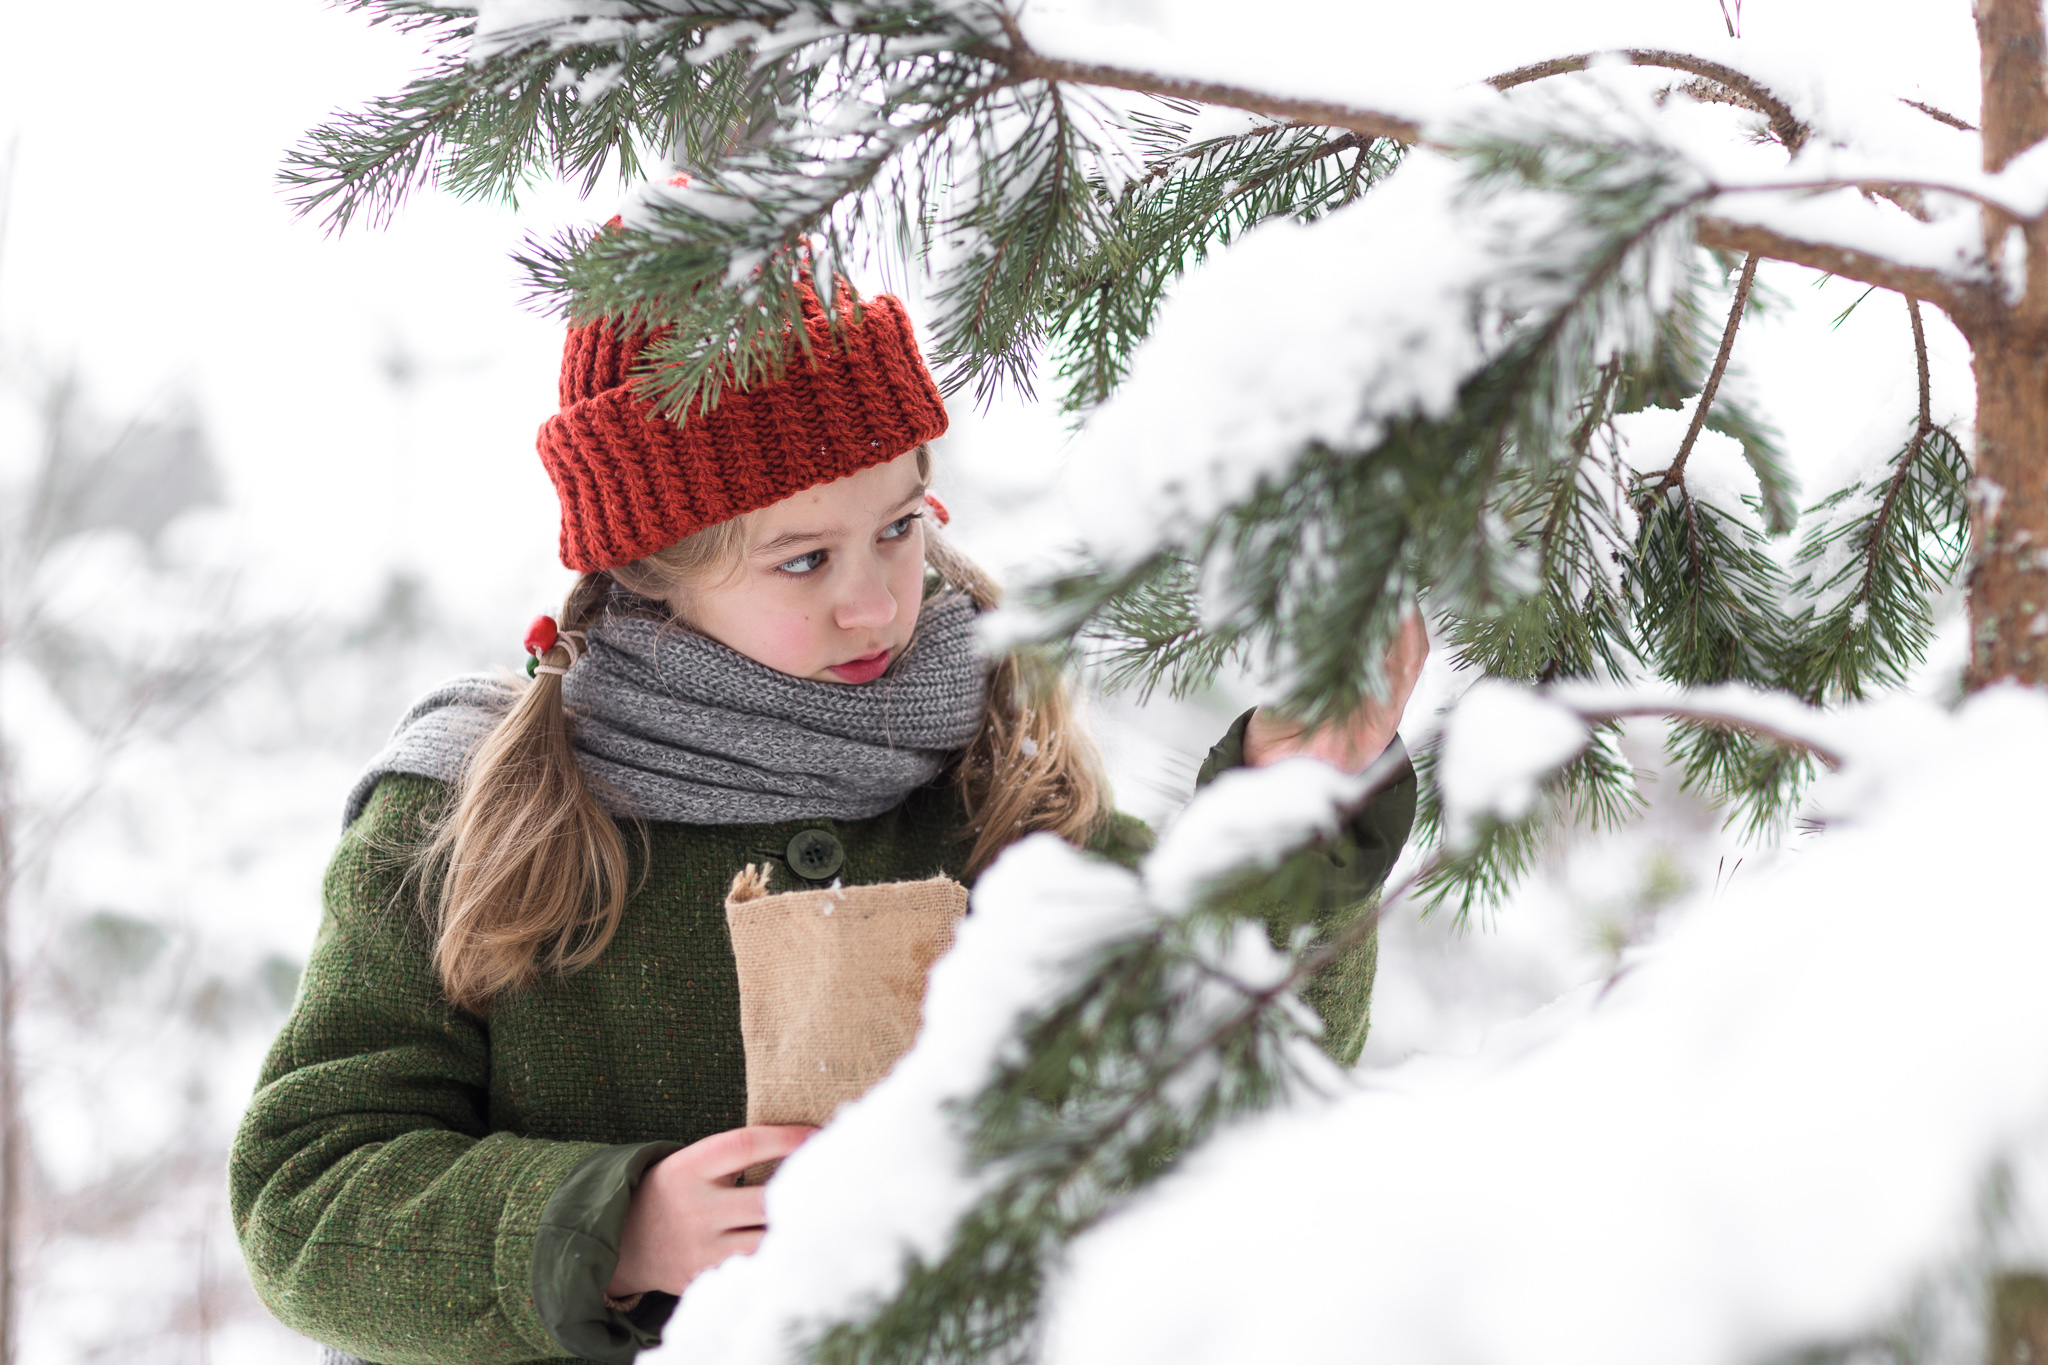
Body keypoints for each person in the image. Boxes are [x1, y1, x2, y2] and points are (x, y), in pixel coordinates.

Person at [229, 272, 1426, 1365]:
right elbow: (305, 1197)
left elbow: (1221, 1085)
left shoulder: (1002, 785)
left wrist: (1294, 811)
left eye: (898, 529)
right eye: (802, 561)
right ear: (649, 566)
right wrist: (613, 1229)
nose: (874, 605)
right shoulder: (470, 817)